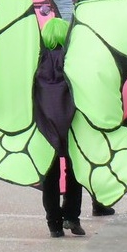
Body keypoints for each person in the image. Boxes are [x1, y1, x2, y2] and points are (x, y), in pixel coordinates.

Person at [34, 18, 84, 238]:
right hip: (73, 126)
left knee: (50, 176)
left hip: (45, 128)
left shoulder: (35, 63)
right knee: (75, 172)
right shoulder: (74, 61)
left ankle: (53, 224)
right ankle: (71, 217)